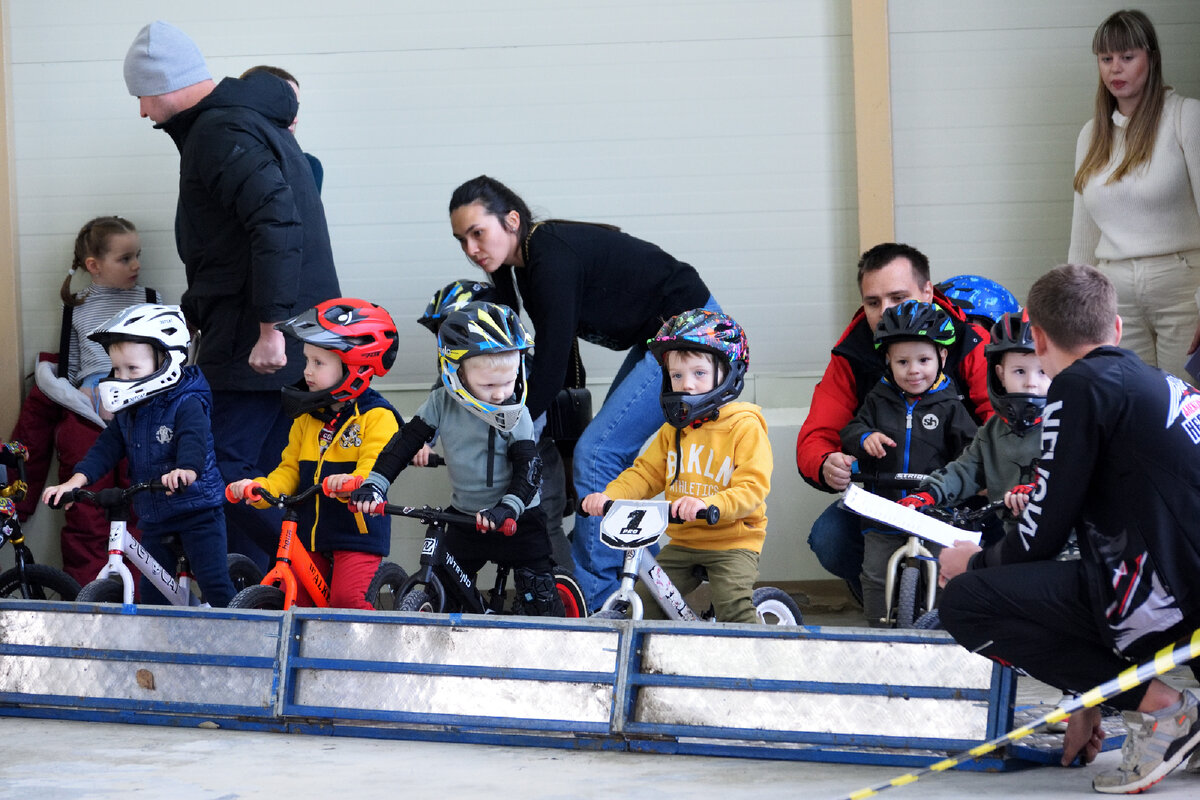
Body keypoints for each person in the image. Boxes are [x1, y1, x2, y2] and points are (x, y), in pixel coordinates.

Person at [938, 264, 1200, 794]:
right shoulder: (1158, 381)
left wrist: (973, 561)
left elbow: (1041, 535)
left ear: (1036, 338)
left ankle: (1165, 711)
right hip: (1186, 588)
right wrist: (1087, 690)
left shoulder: (1078, 386)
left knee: (966, 601)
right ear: (1118, 329)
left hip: (1172, 593)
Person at [123, 21, 340, 566]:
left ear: (168, 84)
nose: (143, 112)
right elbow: (229, 243)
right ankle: (270, 600)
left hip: (259, 342)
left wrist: (271, 329)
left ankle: (301, 578)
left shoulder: (221, 132)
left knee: (218, 470)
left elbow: (276, 225)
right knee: (268, 475)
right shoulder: (243, 122)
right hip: (272, 333)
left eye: (143, 97)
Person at [447, 175, 718, 610]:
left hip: (691, 333)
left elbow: (552, 363)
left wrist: (515, 428)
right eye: (462, 240)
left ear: (511, 220)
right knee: (602, 452)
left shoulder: (549, 256)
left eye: (478, 233)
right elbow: (566, 361)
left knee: (597, 454)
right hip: (662, 337)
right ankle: (611, 567)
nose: (470, 249)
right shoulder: (526, 267)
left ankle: (594, 601)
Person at [795, 242, 993, 604]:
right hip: (884, 498)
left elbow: (1002, 420)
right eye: (873, 302)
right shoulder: (852, 352)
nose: (884, 311)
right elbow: (818, 434)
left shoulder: (970, 341)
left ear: (928, 292)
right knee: (830, 537)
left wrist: (991, 475)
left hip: (957, 502)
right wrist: (826, 463)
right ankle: (878, 600)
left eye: (898, 297)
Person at [350, 302, 565, 617]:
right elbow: (403, 443)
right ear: (456, 373)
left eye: (509, 381)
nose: (500, 394)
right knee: (444, 589)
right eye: (489, 385)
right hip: (466, 518)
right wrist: (375, 483)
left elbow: (528, 468)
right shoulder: (441, 402)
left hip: (517, 518)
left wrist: (508, 507)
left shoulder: (518, 412)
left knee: (539, 596)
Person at [581, 309, 770, 623]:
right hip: (684, 541)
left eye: (699, 373)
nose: (687, 384)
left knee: (732, 607)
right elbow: (646, 473)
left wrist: (709, 504)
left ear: (727, 372)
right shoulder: (673, 430)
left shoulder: (745, 428)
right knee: (647, 602)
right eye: (677, 375)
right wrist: (608, 496)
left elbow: (752, 488)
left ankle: (754, 667)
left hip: (733, 541)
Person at [40, 304, 235, 607]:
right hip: (155, 516)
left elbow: (192, 440)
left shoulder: (187, 403)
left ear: (165, 362)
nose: (122, 377)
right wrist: (74, 482)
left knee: (214, 583)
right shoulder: (130, 412)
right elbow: (105, 448)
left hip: (198, 511)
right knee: (152, 597)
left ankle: (239, 643)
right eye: (118, 369)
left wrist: (186, 470)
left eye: (132, 369)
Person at [9, 216, 160, 585]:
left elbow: (165, 358)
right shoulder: (76, 308)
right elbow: (71, 366)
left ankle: (136, 596)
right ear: (94, 266)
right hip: (90, 411)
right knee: (86, 512)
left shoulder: (150, 300)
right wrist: (87, 393)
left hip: (138, 407)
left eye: (137, 255)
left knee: (141, 509)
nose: (136, 265)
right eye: (125, 259)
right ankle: (87, 594)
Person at [226, 298, 401, 609]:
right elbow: (289, 470)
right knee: (298, 601)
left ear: (356, 366)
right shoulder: (307, 417)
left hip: (355, 533)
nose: (307, 371)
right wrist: (264, 487)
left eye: (319, 363)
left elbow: (376, 470)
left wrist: (354, 482)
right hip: (310, 535)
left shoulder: (377, 417)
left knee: (348, 599)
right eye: (307, 361)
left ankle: (368, 652)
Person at [1069, 9, 1200, 382]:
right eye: (1106, 59)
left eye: (1127, 57)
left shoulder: (1186, 117)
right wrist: (1077, 312)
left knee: (1187, 406)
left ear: (1151, 58)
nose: (1116, 69)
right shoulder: (1091, 134)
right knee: (1129, 409)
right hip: (1115, 297)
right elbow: (1082, 238)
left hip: (1182, 290)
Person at [417, 279, 575, 570]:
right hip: (480, 490)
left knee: (545, 539)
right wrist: (424, 443)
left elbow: (529, 422)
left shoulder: (515, 369)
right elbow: (431, 418)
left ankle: (572, 609)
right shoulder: (448, 383)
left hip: (532, 459)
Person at [839, 301, 978, 625]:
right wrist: (864, 438)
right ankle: (877, 629)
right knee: (874, 573)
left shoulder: (950, 405)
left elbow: (972, 448)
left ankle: (942, 629)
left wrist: (974, 480)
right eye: (902, 361)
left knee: (944, 572)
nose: (914, 370)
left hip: (935, 510)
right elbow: (851, 429)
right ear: (887, 360)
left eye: (924, 360)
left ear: (942, 358)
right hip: (884, 507)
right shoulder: (878, 398)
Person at [899, 310, 1052, 545]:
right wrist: (929, 493)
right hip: (1014, 540)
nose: (1031, 382)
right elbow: (964, 470)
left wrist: (1037, 489)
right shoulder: (992, 432)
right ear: (1000, 375)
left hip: (1065, 544)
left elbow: (1073, 474)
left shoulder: (1065, 424)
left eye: (1042, 371)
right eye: (1019, 371)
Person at [239, 65, 323, 193]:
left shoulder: (310, 166)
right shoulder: (229, 166)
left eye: (296, 108)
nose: (295, 119)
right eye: (285, 107)